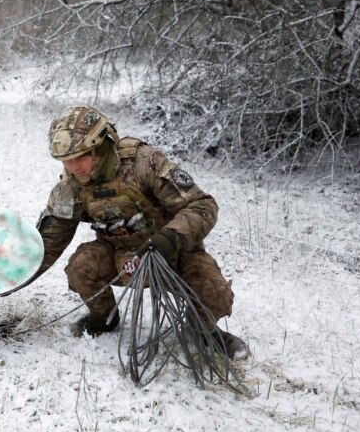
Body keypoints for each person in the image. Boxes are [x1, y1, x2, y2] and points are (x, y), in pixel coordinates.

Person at [35, 105, 249, 359]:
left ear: (100, 147)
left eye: (80, 157)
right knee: (81, 266)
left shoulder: (144, 163)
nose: (73, 167)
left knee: (215, 294)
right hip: (120, 257)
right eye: (66, 161)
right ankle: (104, 319)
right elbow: (49, 242)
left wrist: (168, 239)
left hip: (172, 252)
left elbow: (202, 205)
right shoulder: (70, 186)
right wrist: (7, 280)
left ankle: (204, 331)